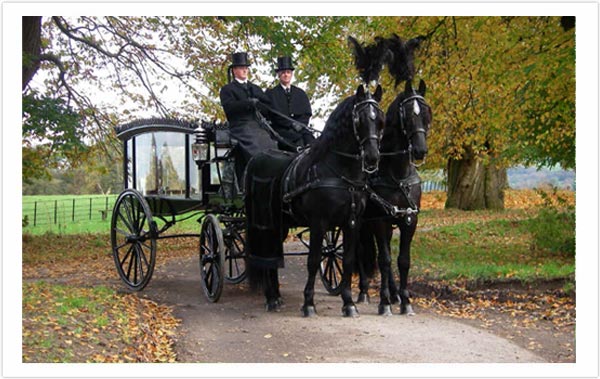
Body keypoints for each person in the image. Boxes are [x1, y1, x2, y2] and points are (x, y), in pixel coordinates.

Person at [219, 52, 277, 182]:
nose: (245, 70)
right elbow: (229, 108)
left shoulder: (255, 88)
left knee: (271, 144)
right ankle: (258, 172)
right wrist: (247, 103)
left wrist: (260, 106)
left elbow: (267, 106)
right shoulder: (227, 89)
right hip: (240, 126)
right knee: (256, 146)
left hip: (257, 125)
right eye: (241, 68)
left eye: (246, 67)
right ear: (234, 70)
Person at [265, 56, 314, 152]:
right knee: (296, 144)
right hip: (281, 131)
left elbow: (306, 113)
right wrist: (291, 124)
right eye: (283, 73)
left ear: (291, 74)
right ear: (279, 75)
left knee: (313, 143)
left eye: (288, 72)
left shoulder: (300, 93)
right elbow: (273, 115)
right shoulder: (271, 94)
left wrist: (299, 124)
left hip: (301, 129)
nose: (286, 75)